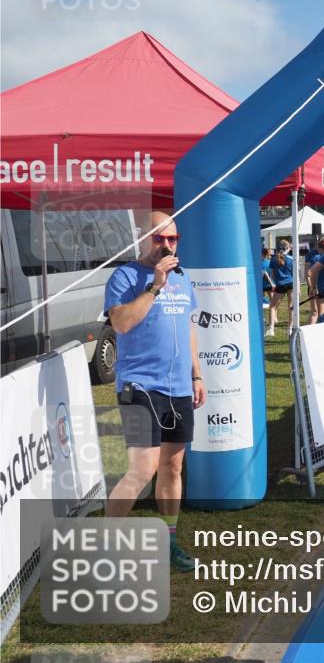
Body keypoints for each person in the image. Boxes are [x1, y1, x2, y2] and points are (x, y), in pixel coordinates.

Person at [103, 211, 205, 572]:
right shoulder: (126, 276)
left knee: (173, 466)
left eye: (172, 239)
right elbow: (121, 324)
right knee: (142, 470)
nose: (166, 245)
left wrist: (196, 375)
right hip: (140, 385)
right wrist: (155, 285)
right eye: (159, 238)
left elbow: (188, 328)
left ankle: (169, 541)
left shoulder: (183, 277)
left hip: (178, 386)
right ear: (143, 238)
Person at [267, 239, 294, 336]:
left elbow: (272, 274)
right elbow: (295, 274)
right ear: (287, 248)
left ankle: (271, 329)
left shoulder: (273, 259)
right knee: (291, 307)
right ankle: (290, 329)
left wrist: (275, 282)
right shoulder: (291, 259)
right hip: (291, 283)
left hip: (280, 284)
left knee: (272, 307)